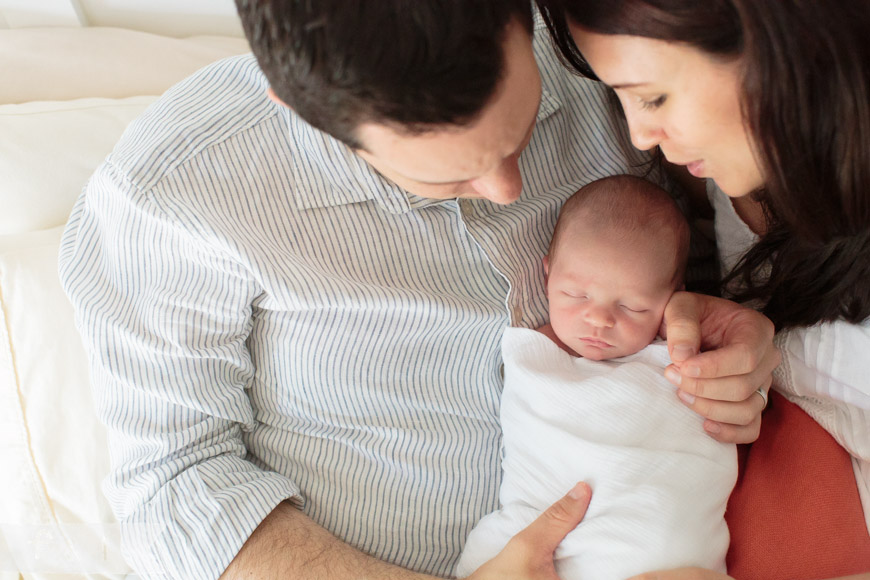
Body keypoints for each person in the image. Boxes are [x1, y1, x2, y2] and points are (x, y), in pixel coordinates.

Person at [58, 2, 779, 579]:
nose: (507, 191)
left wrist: (724, 328)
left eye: (521, 134)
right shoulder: (171, 194)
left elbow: (709, 243)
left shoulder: (593, 57)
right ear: (302, 109)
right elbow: (174, 489)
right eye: (449, 174)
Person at [535, 0, 870, 578]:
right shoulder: (732, 170)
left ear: (786, 43)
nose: (640, 137)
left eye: (654, 97)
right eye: (618, 95)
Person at [456, 175, 738, 579]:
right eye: (577, 296)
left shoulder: (681, 356)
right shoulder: (535, 355)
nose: (600, 319)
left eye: (633, 306)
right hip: (528, 543)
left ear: (674, 296)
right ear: (548, 274)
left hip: (662, 551)